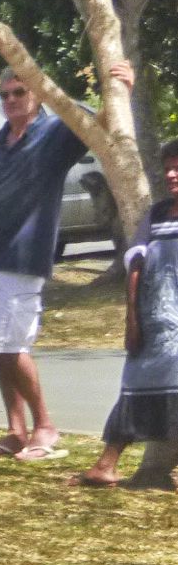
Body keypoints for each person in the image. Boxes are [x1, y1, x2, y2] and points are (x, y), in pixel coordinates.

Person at [0, 62, 131, 461]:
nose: (10, 101)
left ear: (37, 95)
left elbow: (96, 124)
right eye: (4, 95)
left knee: (12, 346)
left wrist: (119, 86)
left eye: (19, 93)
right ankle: (15, 430)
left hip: (23, 261)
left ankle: (45, 426)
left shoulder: (53, 134)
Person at [78, 139, 178, 490]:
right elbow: (136, 263)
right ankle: (106, 465)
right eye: (167, 166)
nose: (171, 174)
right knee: (136, 387)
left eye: (177, 166)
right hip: (154, 324)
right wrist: (132, 319)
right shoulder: (158, 214)